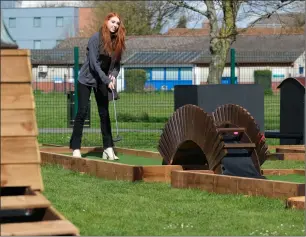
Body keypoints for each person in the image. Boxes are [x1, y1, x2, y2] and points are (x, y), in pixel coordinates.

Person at [69, 12, 126, 160]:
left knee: (104, 114)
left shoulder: (117, 41)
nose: (115, 25)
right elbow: (94, 65)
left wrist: (113, 75)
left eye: (117, 23)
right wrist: (107, 80)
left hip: (102, 80)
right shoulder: (95, 38)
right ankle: (75, 148)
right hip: (86, 79)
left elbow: (116, 65)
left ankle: (108, 147)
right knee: (82, 112)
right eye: (113, 22)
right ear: (106, 22)